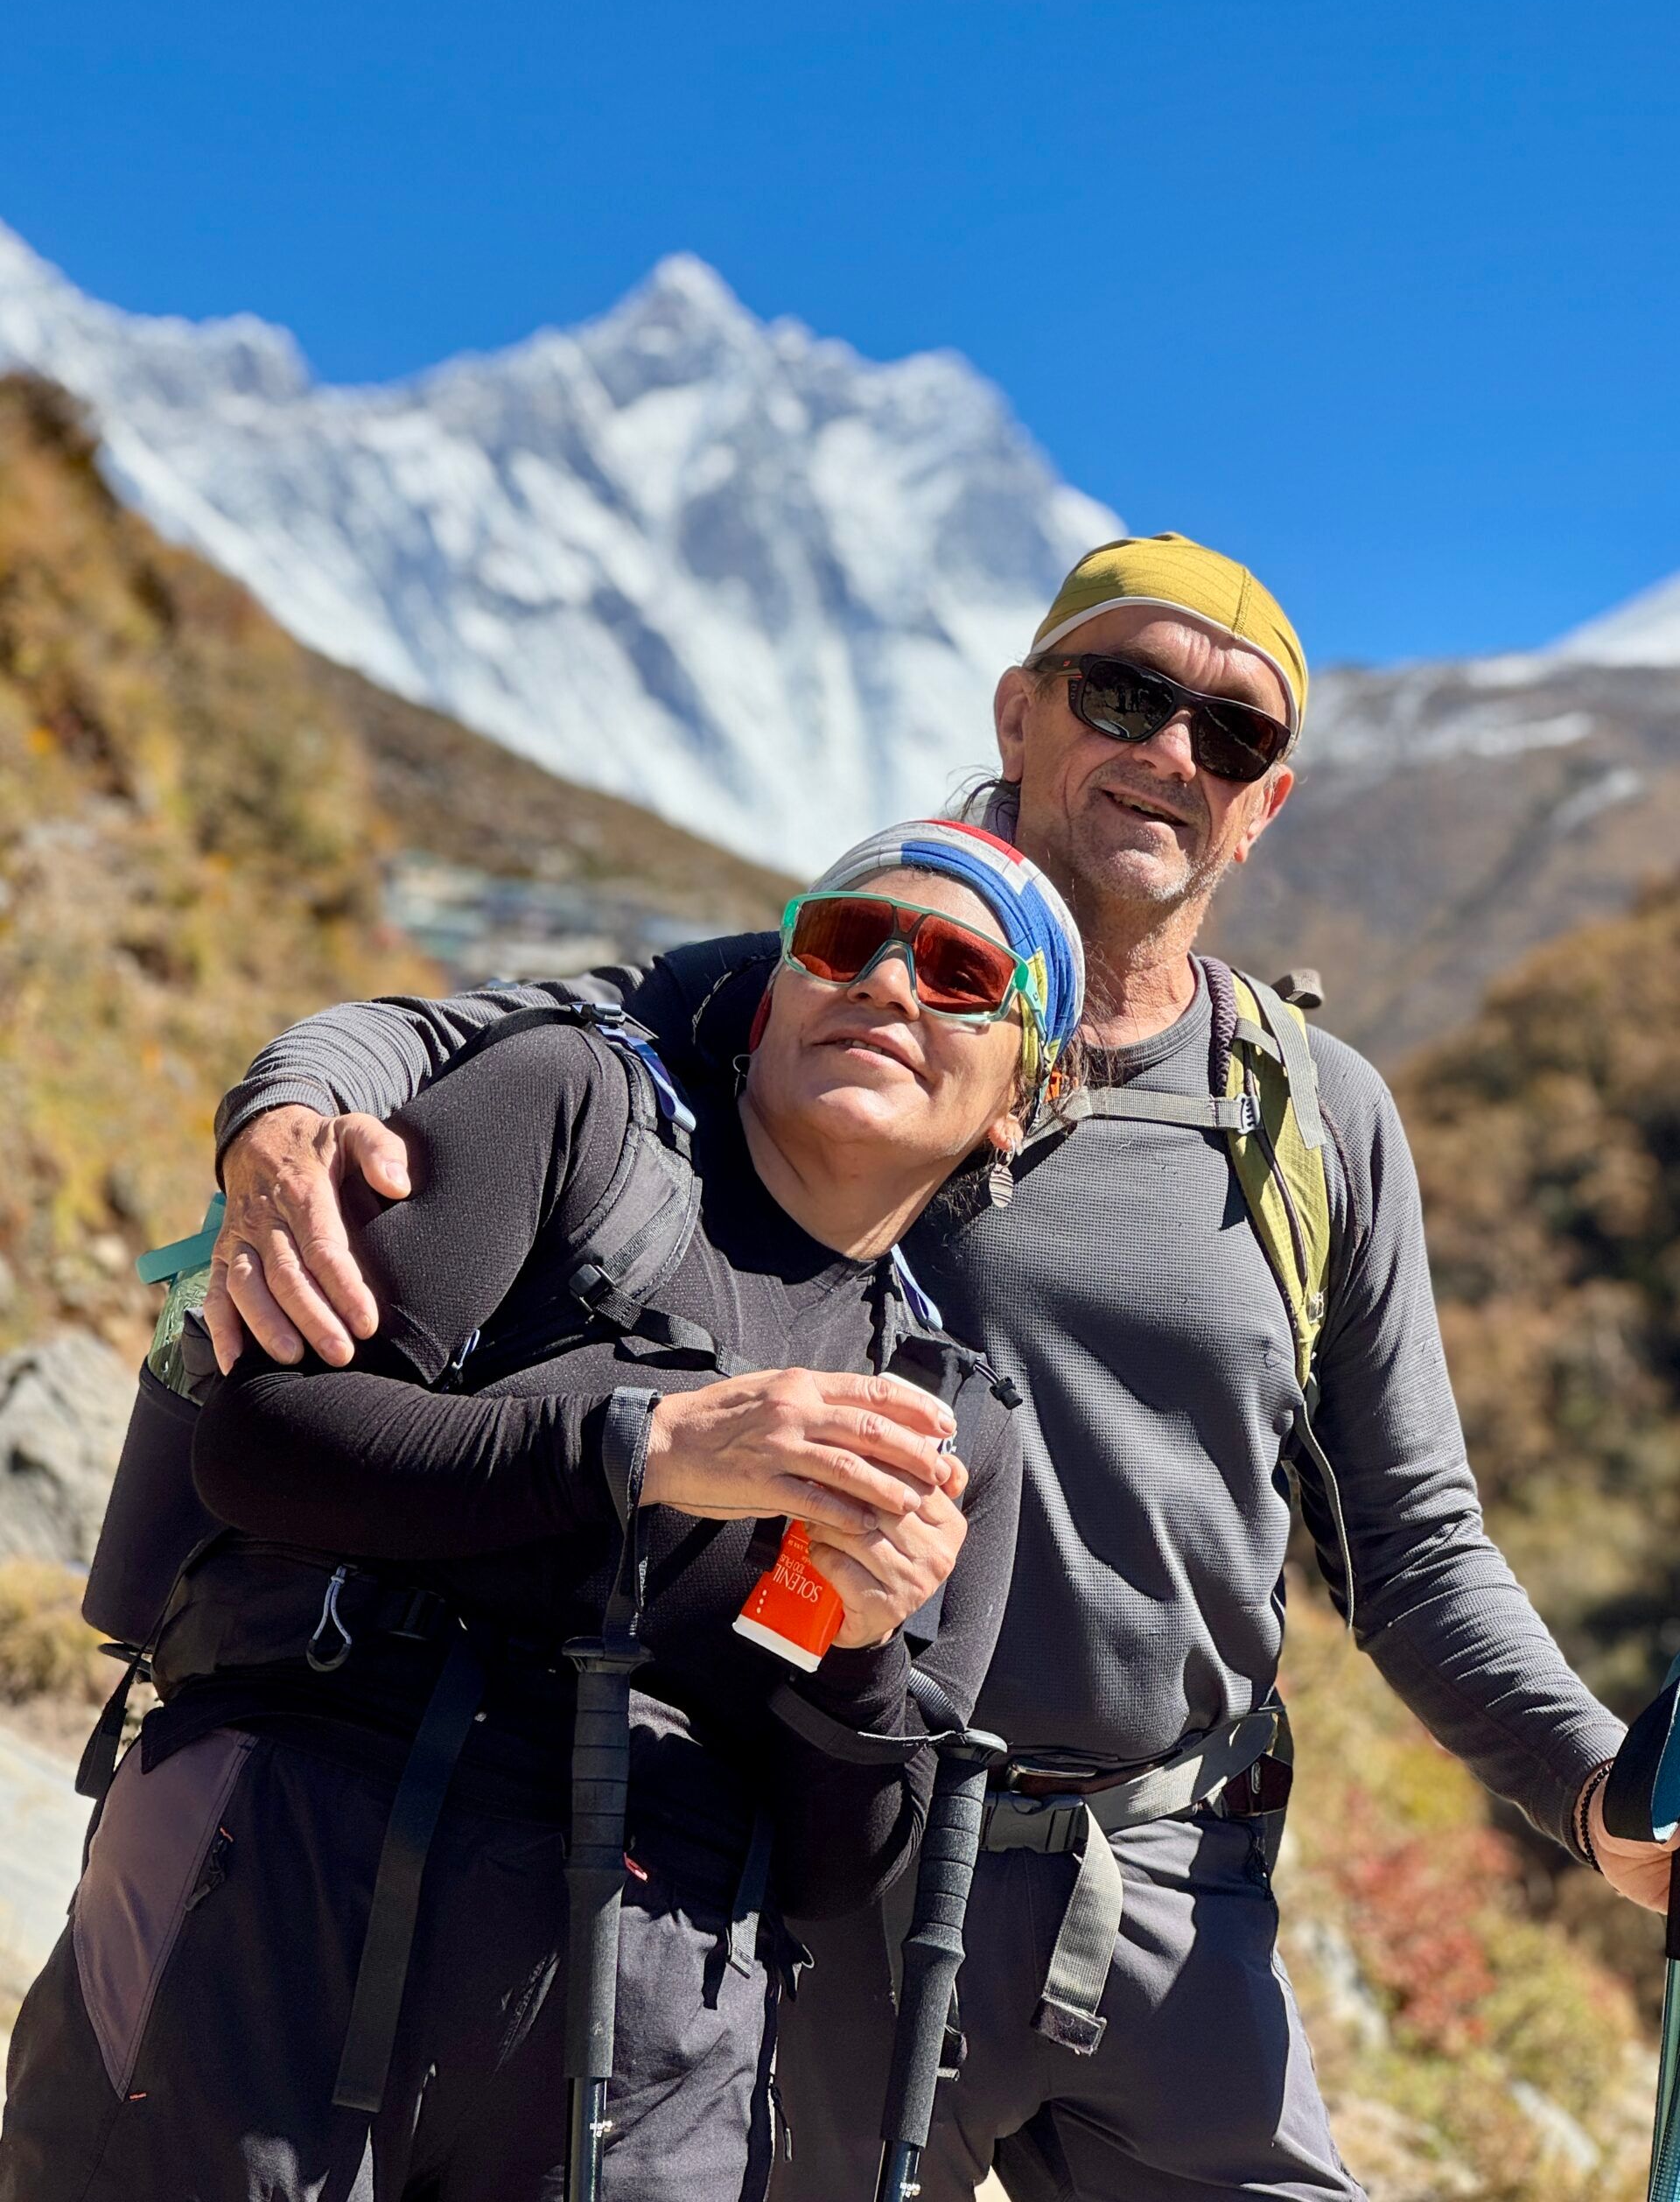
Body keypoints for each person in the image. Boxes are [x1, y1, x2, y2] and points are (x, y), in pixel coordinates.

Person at [190, 533, 1660, 2202]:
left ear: (1268, 804)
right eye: (1124, 694)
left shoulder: (1314, 1119)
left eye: (1230, 736)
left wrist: (1594, 1789)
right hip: (815, 1859)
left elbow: (1412, 1544)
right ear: (1020, 715)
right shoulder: (831, 991)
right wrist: (285, 1112)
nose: (1171, 751)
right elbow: (482, 1036)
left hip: (1173, 1883)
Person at [2, 823, 1088, 2202]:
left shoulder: (949, 1419)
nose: (884, 985)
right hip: (277, 1898)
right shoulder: (571, 1113)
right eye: (839, 944)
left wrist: (863, 1649)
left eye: (956, 971)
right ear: (768, 1003)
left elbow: (836, 1870)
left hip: (641, 2051)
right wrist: (651, 1447)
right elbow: (268, 1444)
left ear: (1016, 1098)